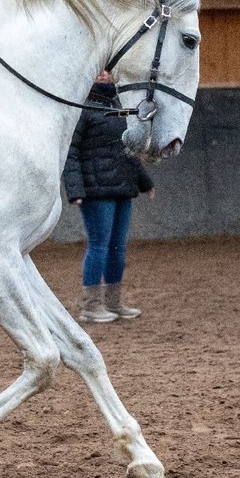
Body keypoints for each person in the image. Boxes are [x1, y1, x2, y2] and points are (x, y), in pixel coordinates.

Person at [62, 71, 156, 323]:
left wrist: (145, 182)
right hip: (96, 190)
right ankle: (91, 305)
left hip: (122, 187)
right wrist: (75, 190)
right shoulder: (81, 107)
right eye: (99, 71)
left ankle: (114, 302)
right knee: (99, 246)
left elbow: (128, 149)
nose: (104, 76)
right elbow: (70, 152)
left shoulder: (120, 106)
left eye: (107, 71)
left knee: (118, 248)